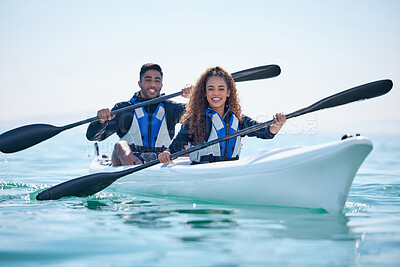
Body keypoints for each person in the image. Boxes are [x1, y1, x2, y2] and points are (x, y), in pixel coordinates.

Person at [158, 66, 286, 164]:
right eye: (211, 89)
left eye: (221, 89)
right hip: (201, 171)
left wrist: (276, 125)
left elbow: (264, 132)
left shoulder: (237, 119)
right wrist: (167, 153)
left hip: (228, 170)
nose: (216, 93)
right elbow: (178, 143)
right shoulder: (195, 119)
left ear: (228, 92)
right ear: (204, 93)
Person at [86, 63, 191, 166]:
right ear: (140, 83)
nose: (153, 84)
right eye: (148, 80)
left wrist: (194, 96)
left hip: (162, 158)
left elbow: (197, 115)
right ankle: (135, 168)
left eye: (157, 81)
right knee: (120, 145)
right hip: (127, 159)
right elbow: (93, 137)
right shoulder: (124, 109)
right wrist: (101, 121)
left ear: (161, 85)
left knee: (186, 144)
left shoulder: (171, 108)